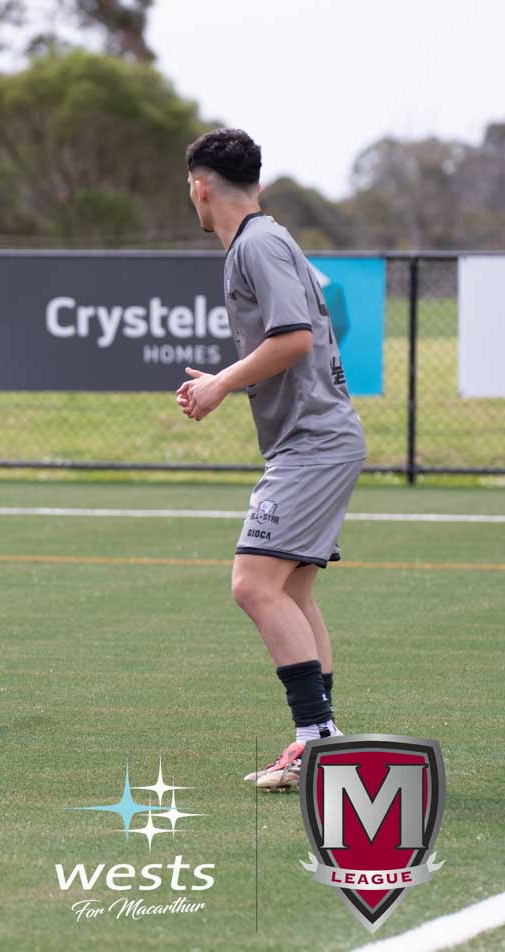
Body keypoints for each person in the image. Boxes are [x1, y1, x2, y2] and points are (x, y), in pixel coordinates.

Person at [177, 128, 367, 792]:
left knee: (253, 585)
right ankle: (319, 736)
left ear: (200, 186)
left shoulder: (256, 244)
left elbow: (293, 339)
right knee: (290, 592)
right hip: (318, 439)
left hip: (313, 444)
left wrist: (220, 385)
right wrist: (225, 380)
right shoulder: (266, 240)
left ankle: (316, 739)